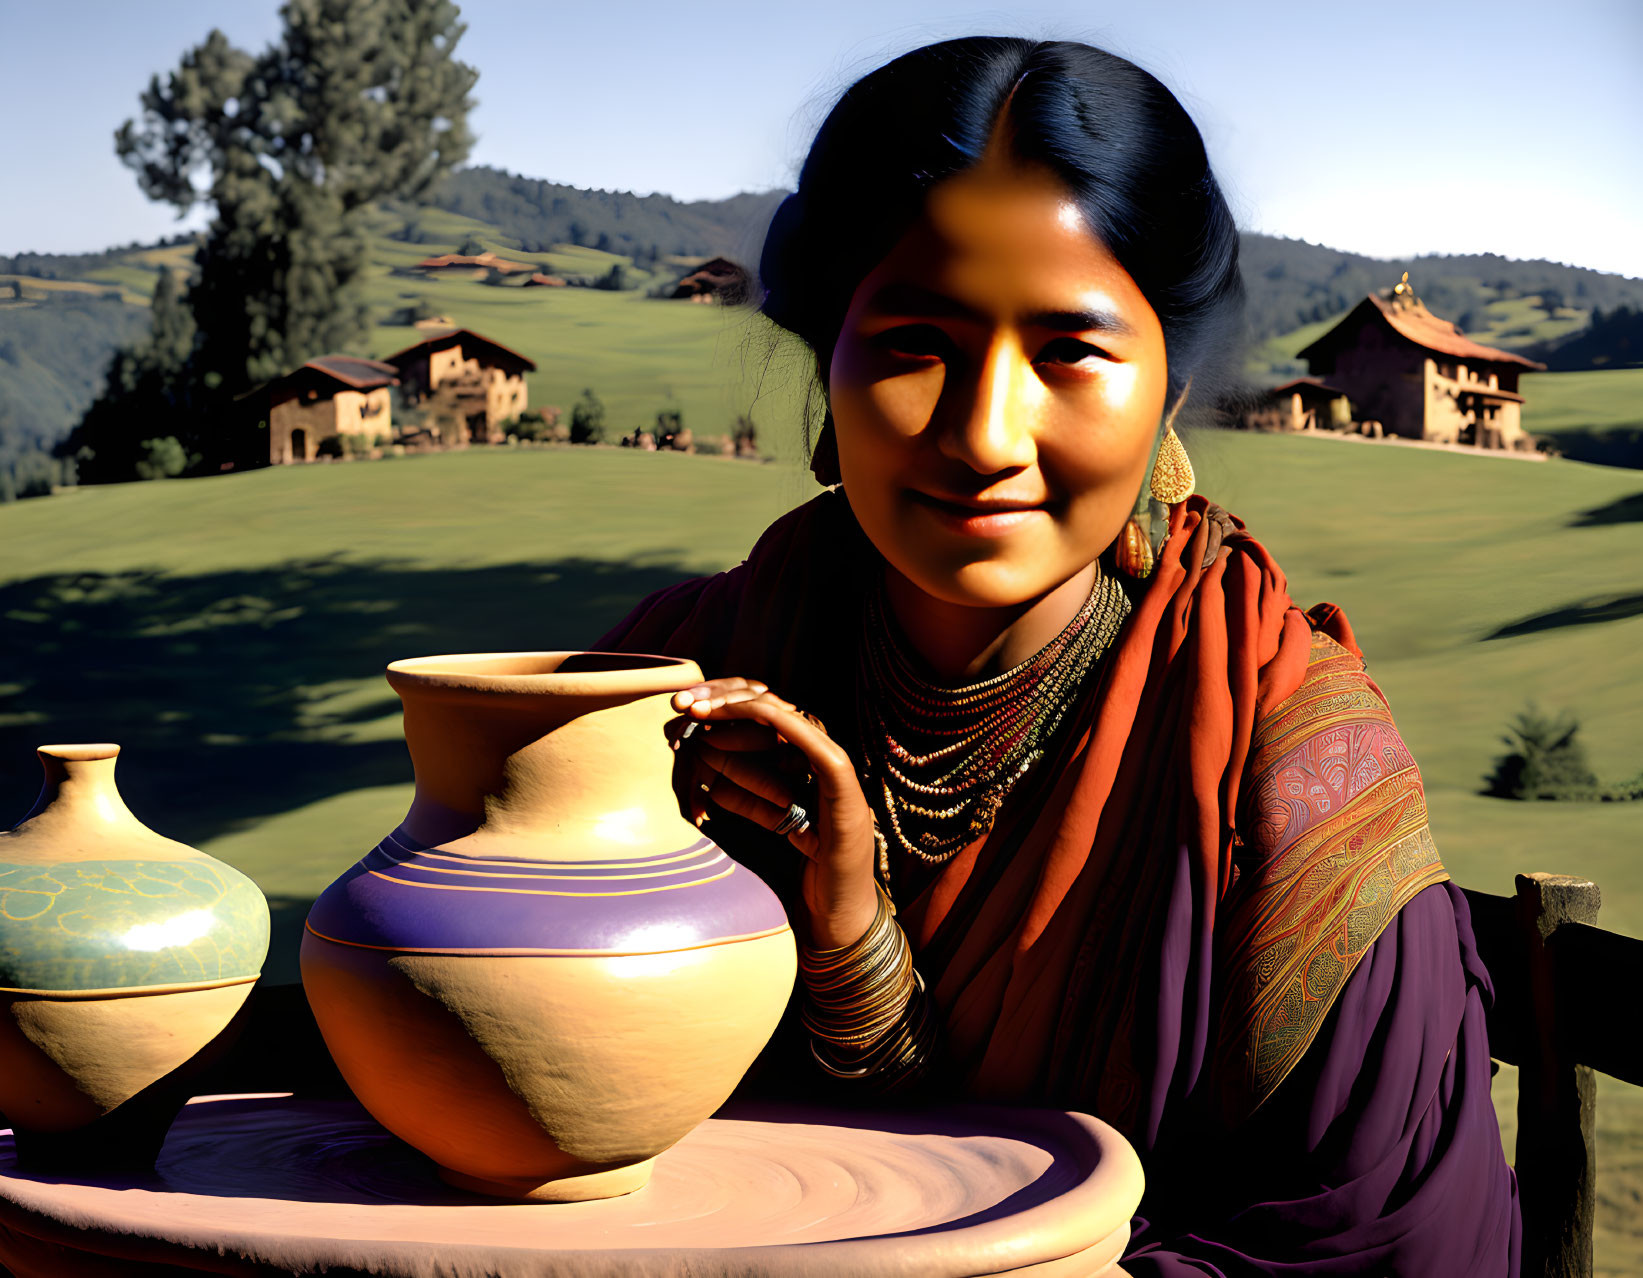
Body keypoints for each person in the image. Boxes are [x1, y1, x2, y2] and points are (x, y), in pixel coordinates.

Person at [599, 37, 1519, 1276]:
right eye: (915, 344)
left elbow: (1394, 1243)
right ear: (828, 362)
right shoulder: (662, 687)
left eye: (1069, 352)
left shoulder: (1293, 766)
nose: (985, 437)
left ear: (1169, 392)